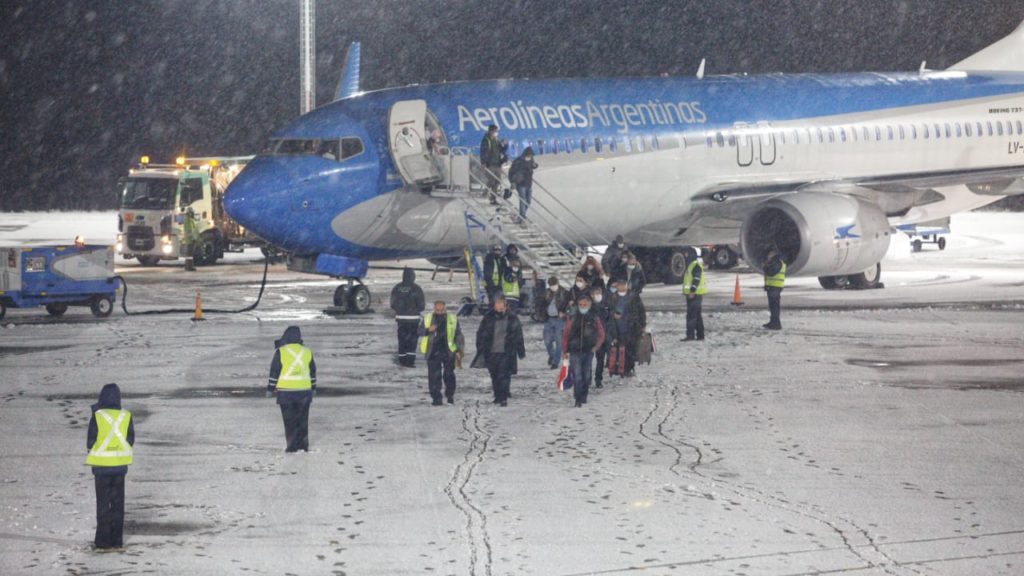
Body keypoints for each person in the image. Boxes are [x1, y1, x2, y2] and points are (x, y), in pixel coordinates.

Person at [86, 383, 135, 551]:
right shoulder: (126, 416)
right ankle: (116, 540)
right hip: (120, 467)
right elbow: (130, 439)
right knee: (118, 505)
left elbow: (90, 441)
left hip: (101, 468)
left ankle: (102, 541)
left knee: (103, 505)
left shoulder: (98, 416)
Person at [268, 326, 317, 452]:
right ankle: (303, 445)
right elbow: (312, 371)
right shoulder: (307, 351)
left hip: (286, 392)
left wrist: (270, 388)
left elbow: (275, 371)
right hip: (304, 391)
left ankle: (292, 446)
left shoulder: (281, 352)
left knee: (289, 421)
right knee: (303, 420)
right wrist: (313, 387)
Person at [475, 295, 526, 406]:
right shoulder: (488, 317)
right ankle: (498, 395)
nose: (500, 308)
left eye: (502, 305)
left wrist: (520, 350)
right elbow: (481, 333)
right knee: (494, 375)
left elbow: (518, 334)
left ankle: (503, 397)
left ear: (505, 306)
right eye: (498, 305)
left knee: (503, 374)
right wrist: (480, 347)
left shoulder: (512, 318)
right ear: (494, 306)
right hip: (491, 352)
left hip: (506, 352)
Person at [562, 294, 606, 407]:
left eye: (585, 305)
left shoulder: (594, 318)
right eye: (580, 305)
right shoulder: (572, 318)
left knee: (586, 376)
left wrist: (596, 347)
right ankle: (578, 398)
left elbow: (601, 334)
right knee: (577, 375)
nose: (582, 307)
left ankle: (584, 394)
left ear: (589, 305)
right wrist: (564, 351)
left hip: (588, 351)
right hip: (574, 351)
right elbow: (566, 335)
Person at [418, 300, 465, 405]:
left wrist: (458, 349)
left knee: (449, 375)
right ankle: (436, 398)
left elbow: (458, 334)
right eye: (437, 310)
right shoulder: (427, 318)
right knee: (434, 377)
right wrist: (428, 330)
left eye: (441, 310)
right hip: (432, 351)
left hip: (448, 351)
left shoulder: (452, 318)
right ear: (434, 309)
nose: (439, 312)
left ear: (445, 309)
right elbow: (419, 331)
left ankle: (449, 395)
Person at [608, 280, 647, 377]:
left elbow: (641, 311)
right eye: (619, 284)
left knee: (630, 348)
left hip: (631, 327)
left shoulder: (634, 296)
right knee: (619, 348)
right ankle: (619, 367)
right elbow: (606, 310)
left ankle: (629, 367)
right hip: (616, 327)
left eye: (623, 284)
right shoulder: (611, 297)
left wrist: (642, 324)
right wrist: (612, 314)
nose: (621, 286)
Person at [390, 267, 425, 367]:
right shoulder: (416, 288)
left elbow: (392, 304)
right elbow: (421, 305)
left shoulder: (397, 288)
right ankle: (410, 361)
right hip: (413, 320)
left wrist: (400, 310)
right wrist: (415, 310)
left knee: (402, 340)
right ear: (413, 276)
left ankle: (402, 360)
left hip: (401, 319)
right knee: (412, 341)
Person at [536, 275, 570, 368]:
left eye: (554, 285)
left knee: (559, 341)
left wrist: (565, 313)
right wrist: (541, 314)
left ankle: (555, 362)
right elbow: (540, 304)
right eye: (551, 285)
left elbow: (570, 306)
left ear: (557, 284)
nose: (552, 287)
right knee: (547, 341)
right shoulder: (546, 293)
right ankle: (552, 355)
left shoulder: (565, 293)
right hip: (549, 319)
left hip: (560, 320)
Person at [591, 285, 616, 388]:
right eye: (596, 294)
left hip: (607, 336)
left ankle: (610, 371)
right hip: (597, 339)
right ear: (592, 295)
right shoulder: (590, 308)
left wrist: (614, 336)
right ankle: (598, 379)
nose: (598, 296)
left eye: (599, 294)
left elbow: (611, 322)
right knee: (599, 360)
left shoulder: (607, 306)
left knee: (610, 357)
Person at [681, 246, 707, 341]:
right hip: (696, 294)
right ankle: (700, 335)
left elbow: (696, 279)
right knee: (697, 316)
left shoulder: (694, 265)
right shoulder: (693, 265)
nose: (685, 256)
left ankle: (690, 335)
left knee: (691, 316)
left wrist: (692, 290)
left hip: (694, 294)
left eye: (687, 254)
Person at [508, 147, 538, 221]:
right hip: (521, 184)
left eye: (531, 156)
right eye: (529, 155)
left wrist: (535, 165)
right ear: (525, 154)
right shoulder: (518, 161)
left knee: (528, 201)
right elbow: (511, 171)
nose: (530, 157)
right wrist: (512, 181)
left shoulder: (531, 160)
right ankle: (522, 216)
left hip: (528, 183)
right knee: (523, 200)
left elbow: (532, 166)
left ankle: (522, 215)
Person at [479, 124, 507, 203]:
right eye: (495, 131)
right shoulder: (486, 140)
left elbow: (501, 150)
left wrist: (505, 145)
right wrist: (483, 162)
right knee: (492, 180)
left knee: (497, 181)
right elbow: (483, 152)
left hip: (497, 164)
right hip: (490, 164)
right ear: (491, 131)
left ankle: (493, 198)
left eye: (497, 131)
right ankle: (485, 192)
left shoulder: (496, 140)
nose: (496, 133)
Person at [763, 247, 786, 330]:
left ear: (774, 254)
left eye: (770, 254)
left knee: (774, 307)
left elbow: (771, 273)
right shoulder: (776, 262)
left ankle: (776, 324)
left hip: (775, 287)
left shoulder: (777, 262)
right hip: (773, 287)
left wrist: (765, 267)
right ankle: (773, 322)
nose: (768, 256)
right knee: (773, 306)